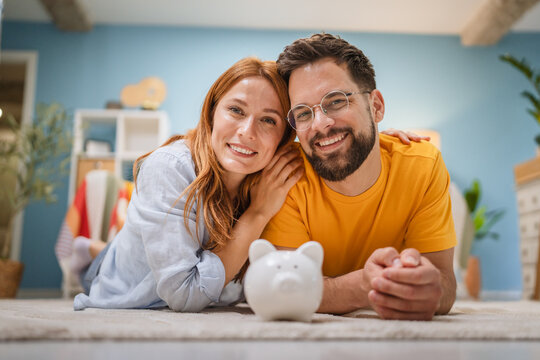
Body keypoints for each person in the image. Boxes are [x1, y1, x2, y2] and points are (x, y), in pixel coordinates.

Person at [73, 56, 425, 312]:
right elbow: (182, 295)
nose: (246, 132)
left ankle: (95, 250)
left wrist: (375, 141)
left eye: (268, 120)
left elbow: (331, 148)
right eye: (236, 111)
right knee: (107, 264)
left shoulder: (274, 167)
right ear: (212, 111)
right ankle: (91, 255)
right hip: (127, 291)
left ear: (286, 139)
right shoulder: (169, 167)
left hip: (186, 273)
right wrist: (257, 214)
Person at [261, 33, 456, 321]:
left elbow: (445, 283)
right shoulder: (284, 176)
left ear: (376, 106)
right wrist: (365, 285)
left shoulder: (422, 166)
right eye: (302, 113)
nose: (321, 124)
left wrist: (431, 288)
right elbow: (286, 291)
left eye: (336, 101)